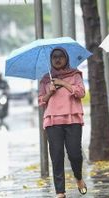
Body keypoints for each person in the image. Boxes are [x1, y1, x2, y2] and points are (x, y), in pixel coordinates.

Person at [38, 47, 87, 198]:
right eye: (54, 57)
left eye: (60, 56)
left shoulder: (75, 75)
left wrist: (63, 83)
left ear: (66, 58)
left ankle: (78, 177)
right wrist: (50, 91)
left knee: (75, 154)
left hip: (73, 119)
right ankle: (60, 191)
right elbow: (41, 101)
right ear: (51, 60)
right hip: (53, 121)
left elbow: (81, 93)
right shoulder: (46, 79)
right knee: (57, 156)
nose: (57, 59)